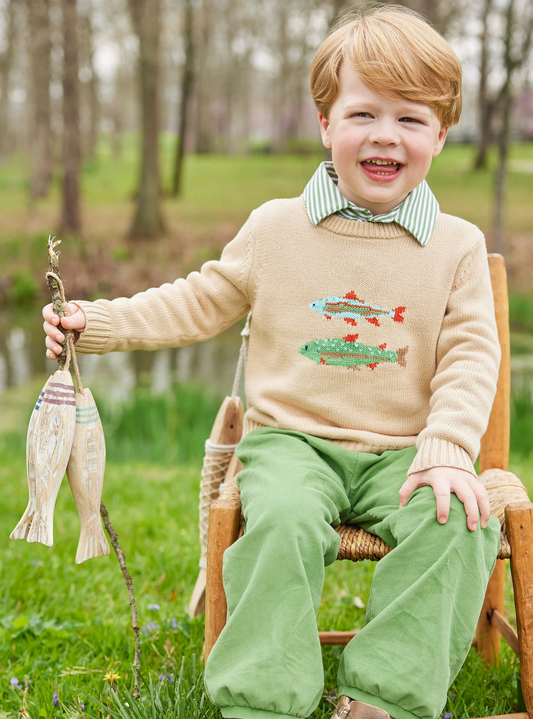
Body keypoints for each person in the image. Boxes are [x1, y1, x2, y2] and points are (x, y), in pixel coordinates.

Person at [43, 6, 502, 719]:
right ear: (326, 124)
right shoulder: (276, 228)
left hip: (409, 452)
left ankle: (383, 691)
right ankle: (264, 698)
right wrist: (92, 324)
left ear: (440, 135)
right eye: (363, 114)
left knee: (460, 520)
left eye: (410, 119)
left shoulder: (456, 244)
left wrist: (446, 449)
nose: (385, 134)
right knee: (282, 519)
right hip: (292, 443)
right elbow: (195, 301)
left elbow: (472, 354)